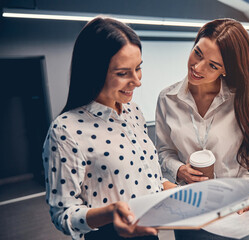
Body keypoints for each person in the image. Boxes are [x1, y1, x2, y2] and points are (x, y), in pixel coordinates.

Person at [42, 17, 176, 240]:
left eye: (138, 68)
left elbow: (143, 175)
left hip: (150, 234)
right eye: (123, 73)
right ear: (94, 72)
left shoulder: (133, 111)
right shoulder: (65, 130)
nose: (137, 81)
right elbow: (63, 214)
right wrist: (110, 214)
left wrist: (175, 189)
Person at [155, 18, 249, 240]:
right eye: (197, 53)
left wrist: (244, 194)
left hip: (234, 213)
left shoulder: (241, 101)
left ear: (226, 70)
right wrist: (180, 170)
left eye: (213, 65)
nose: (197, 67)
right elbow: (163, 152)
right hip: (189, 211)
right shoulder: (167, 99)